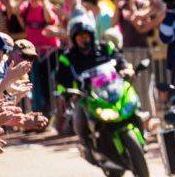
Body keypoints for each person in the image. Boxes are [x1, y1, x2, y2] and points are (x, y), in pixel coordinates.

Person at [56, 19, 134, 157]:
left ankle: (139, 131)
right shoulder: (67, 58)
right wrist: (66, 92)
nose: (83, 39)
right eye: (79, 37)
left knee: (132, 102)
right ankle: (88, 147)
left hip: (112, 89)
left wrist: (126, 69)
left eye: (85, 36)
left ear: (91, 35)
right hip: (86, 97)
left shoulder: (105, 48)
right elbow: (60, 80)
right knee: (79, 119)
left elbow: (120, 60)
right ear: (74, 39)